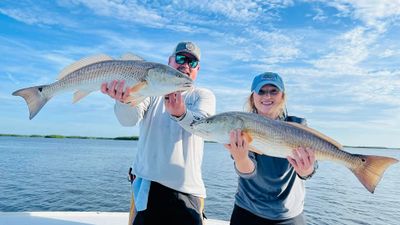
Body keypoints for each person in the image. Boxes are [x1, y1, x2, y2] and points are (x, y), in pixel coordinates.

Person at [101, 42, 216, 225]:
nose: (185, 64)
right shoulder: (150, 92)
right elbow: (128, 120)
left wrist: (181, 114)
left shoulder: (202, 95)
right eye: (180, 58)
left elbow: (204, 126)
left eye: (192, 62)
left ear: (197, 69)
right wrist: (123, 101)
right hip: (147, 188)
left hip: (189, 190)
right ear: (169, 61)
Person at [224, 72, 317, 225]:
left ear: (282, 96)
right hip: (247, 211)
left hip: (288, 216)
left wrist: (306, 170)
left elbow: (311, 170)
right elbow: (249, 172)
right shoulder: (242, 124)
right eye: (261, 91)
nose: (267, 96)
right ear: (252, 97)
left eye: (273, 91)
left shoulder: (298, 124)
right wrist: (241, 158)